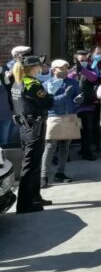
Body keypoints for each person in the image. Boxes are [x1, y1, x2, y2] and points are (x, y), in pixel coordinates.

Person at [11, 54, 53, 213]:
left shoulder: (18, 82)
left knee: (33, 164)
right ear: (33, 68)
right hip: (34, 126)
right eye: (39, 65)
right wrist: (50, 95)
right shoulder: (32, 84)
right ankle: (24, 203)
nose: (41, 67)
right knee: (30, 165)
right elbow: (47, 102)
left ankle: (35, 197)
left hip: (25, 126)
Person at [41, 60, 81, 188]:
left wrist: (78, 99)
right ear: (53, 70)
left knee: (65, 147)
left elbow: (78, 95)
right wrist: (64, 96)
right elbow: (48, 103)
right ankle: (43, 175)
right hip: (53, 116)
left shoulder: (73, 82)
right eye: (61, 68)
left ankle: (60, 173)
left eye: (66, 68)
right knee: (50, 147)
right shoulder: (46, 84)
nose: (64, 70)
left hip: (69, 115)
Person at [74, 49, 100, 161]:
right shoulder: (72, 70)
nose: (83, 61)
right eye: (81, 60)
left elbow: (93, 77)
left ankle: (87, 151)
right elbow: (68, 77)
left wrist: (83, 69)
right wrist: (76, 71)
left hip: (88, 105)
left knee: (88, 130)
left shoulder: (90, 69)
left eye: (85, 60)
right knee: (76, 130)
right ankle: (82, 148)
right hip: (74, 106)